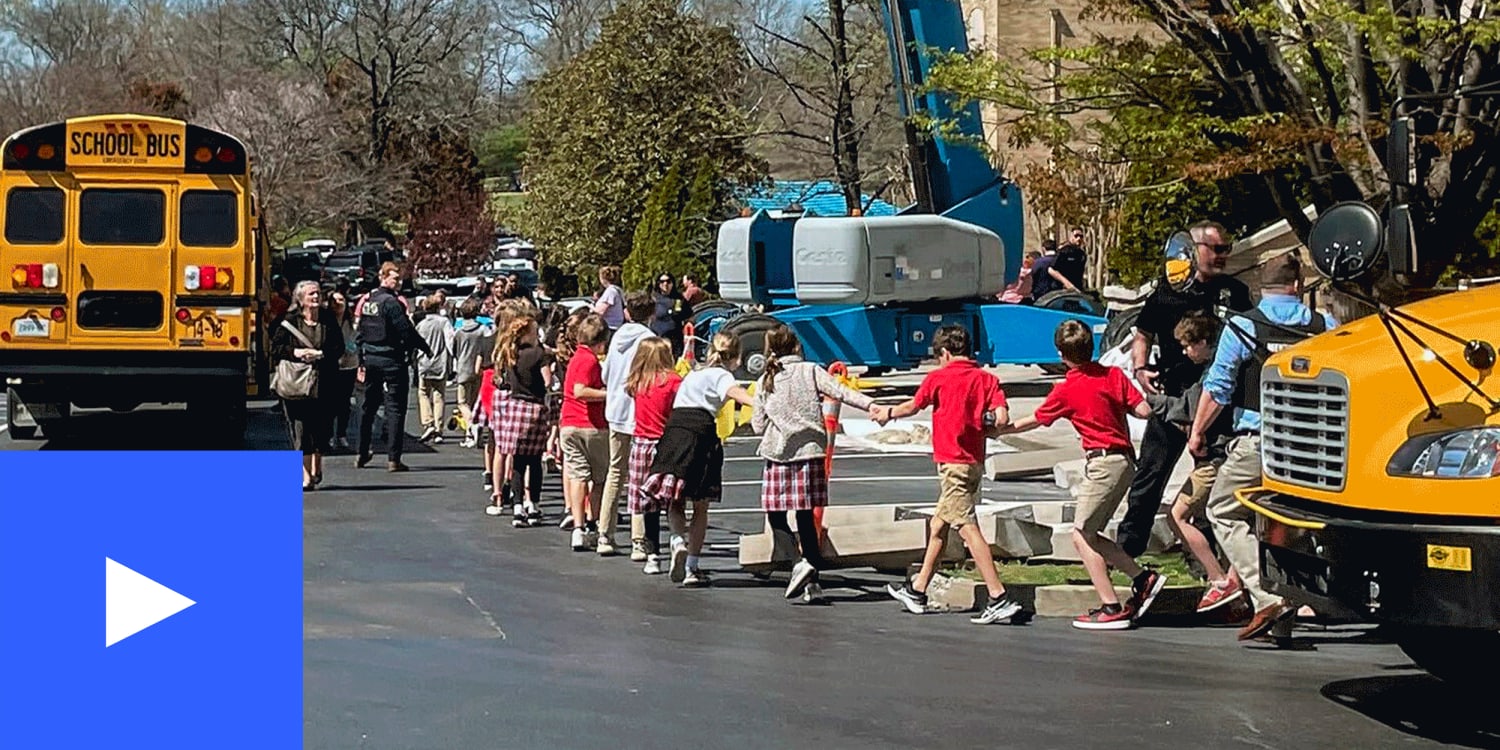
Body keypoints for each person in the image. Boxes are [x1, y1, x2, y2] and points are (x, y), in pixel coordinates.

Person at [1188, 251, 1337, 642]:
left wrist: (1198, 431)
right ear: (1299, 285)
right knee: (1287, 521)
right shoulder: (1326, 326)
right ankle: (1287, 613)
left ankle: (1266, 594)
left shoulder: (1243, 326)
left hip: (1261, 441)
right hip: (1315, 446)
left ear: (1260, 287)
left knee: (1223, 509)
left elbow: (1218, 387)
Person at [997, 320, 1163, 630]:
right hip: (1124, 460)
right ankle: (1143, 579)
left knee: (1081, 534)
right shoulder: (1113, 375)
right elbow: (1143, 411)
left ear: (1061, 354)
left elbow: (1036, 419)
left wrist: (1003, 428)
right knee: (1093, 532)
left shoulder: (1067, 389)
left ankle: (1111, 605)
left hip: (1101, 463)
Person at [1118, 220, 1253, 558]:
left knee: (1209, 479)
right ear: (1195, 250)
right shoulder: (1168, 292)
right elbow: (1143, 332)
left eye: (1227, 249)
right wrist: (1140, 367)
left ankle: (1205, 555)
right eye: (1217, 249)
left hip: (1216, 401)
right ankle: (1129, 548)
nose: (1223, 256)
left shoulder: (1234, 292)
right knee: (1151, 473)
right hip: (1174, 395)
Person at [883, 325, 1024, 625]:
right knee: (939, 526)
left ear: (944, 353)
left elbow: (913, 406)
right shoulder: (987, 379)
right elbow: (1001, 417)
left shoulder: (938, 378)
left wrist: (887, 413)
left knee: (967, 528)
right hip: (973, 462)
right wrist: (986, 425)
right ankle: (918, 589)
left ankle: (998, 596)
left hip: (952, 465)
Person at [752, 325, 888, 603]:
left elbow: (757, 425)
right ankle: (812, 582)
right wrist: (871, 406)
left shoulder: (766, 379)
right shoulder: (811, 370)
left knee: (775, 513)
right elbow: (840, 392)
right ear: (797, 346)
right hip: (811, 451)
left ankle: (796, 563)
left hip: (779, 453)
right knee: (805, 514)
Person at [638, 333, 756, 587]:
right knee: (700, 505)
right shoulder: (723, 375)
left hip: (675, 430)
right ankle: (692, 566)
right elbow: (734, 393)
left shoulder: (693, 374)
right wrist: (760, 403)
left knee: (675, 499)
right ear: (735, 358)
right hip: (701, 431)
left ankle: (677, 540)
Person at [1155, 312, 1244, 613]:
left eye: (1188, 345)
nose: (1185, 351)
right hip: (1226, 455)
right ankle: (1235, 580)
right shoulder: (1231, 368)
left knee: (1177, 515)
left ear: (1204, 342)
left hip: (1214, 458)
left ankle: (1218, 578)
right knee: (1235, 518)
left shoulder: (1213, 375)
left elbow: (1190, 409)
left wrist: (1152, 401)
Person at [356, 262, 431, 472]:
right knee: (395, 408)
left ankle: (362, 452)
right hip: (391, 360)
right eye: (395, 278)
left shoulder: (368, 301)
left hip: (371, 358)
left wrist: (361, 359)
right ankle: (394, 459)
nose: (398, 283)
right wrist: (423, 347)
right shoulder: (391, 303)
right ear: (383, 276)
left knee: (368, 407)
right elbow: (406, 331)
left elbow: (361, 331)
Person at [599, 291, 657, 558]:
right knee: (639, 478)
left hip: (615, 412)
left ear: (626, 312)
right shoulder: (649, 341)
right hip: (641, 413)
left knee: (615, 473)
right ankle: (638, 539)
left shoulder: (616, 338)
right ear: (652, 314)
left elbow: (605, 373)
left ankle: (605, 534)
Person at [272, 281, 344, 490]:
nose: (316, 297)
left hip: (325, 382)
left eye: (318, 293)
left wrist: (320, 354)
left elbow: (338, 348)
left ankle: (316, 467)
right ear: (300, 299)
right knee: (301, 429)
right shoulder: (289, 321)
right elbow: (276, 348)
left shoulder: (328, 320)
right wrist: (296, 353)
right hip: (297, 385)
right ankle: (304, 475)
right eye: (311, 294)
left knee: (321, 429)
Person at [624, 337, 681, 575]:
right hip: (667, 443)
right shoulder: (674, 381)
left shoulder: (637, 382)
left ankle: (653, 554)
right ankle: (678, 539)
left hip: (641, 445)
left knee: (648, 503)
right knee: (674, 497)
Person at [495, 311, 554, 528]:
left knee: (518, 460)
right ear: (529, 333)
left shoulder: (512, 353)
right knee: (535, 460)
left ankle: (517, 507)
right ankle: (533, 505)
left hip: (515, 406)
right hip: (535, 407)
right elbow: (547, 381)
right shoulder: (538, 354)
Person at [559, 313, 612, 551]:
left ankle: (578, 527)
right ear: (601, 341)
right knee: (600, 478)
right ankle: (593, 523)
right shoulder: (589, 360)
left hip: (568, 423)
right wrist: (608, 394)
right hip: (590, 425)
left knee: (578, 475)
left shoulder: (576, 357)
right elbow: (581, 391)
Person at [451, 298, 495, 450]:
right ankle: (473, 433)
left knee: (463, 402)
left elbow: (453, 350)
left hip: (463, 368)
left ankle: (471, 426)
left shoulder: (459, 331)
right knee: (476, 401)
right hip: (480, 368)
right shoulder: (483, 330)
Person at [414, 296, 452, 444]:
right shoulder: (444, 322)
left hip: (424, 363)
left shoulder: (421, 325)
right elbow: (450, 341)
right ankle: (438, 429)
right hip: (440, 363)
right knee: (439, 396)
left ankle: (428, 423)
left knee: (423, 393)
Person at [326, 289, 360, 452]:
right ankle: (329, 435)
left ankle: (341, 434)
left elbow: (358, 338)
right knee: (330, 402)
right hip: (331, 365)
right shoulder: (326, 321)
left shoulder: (351, 321)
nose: (338, 304)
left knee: (344, 402)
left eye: (341, 300)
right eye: (335, 301)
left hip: (349, 364)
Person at [650, 274, 691, 357]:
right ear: (658, 284)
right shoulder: (654, 298)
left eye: (668, 281)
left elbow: (688, 314)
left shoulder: (679, 298)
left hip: (675, 339)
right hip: (658, 337)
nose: (665, 284)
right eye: (662, 282)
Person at [592, 265, 626, 330]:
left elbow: (601, 311)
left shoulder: (610, 291)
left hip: (610, 326)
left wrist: (590, 306)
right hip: (617, 325)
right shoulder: (617, 289)